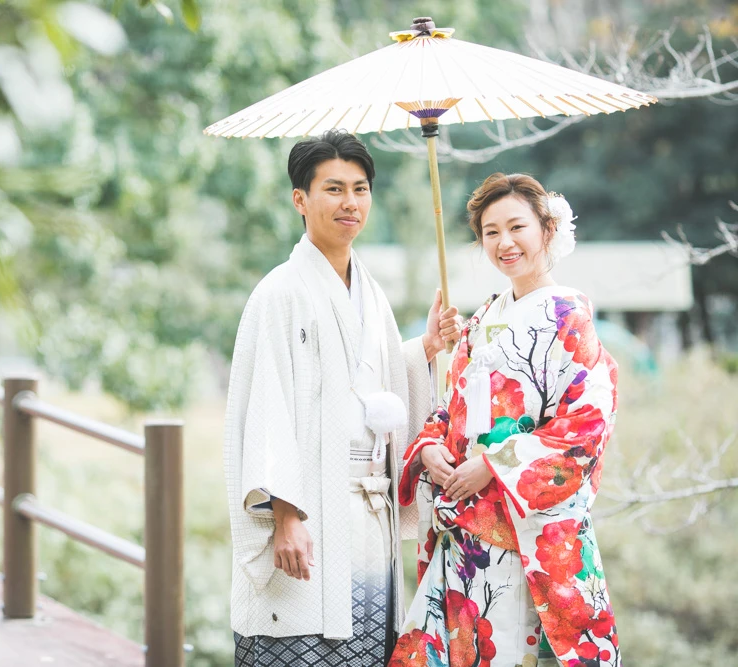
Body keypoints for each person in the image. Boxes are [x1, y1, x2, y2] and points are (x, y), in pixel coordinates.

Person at [224, 129, 463, 667]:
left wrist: (425, 348)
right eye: (333, 189)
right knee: (299, 639)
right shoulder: (279, 293)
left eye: (360, 188)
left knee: (367, 646)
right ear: (300, 199)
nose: (350, 202)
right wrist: (285, 513)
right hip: (308, 508)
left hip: (367, 511)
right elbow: (266, 406)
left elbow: (373, 384)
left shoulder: (371, 295)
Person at [389, 173, 621, 667]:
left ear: (547, 230)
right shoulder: (481, 320)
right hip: (464, 532)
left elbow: (587, 425)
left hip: (522, 534)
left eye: (517, 227)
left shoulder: (569, 316)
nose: (504, 243)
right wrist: (430, 448)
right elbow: (449, 406)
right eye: (490, 232)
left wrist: (495, 465)